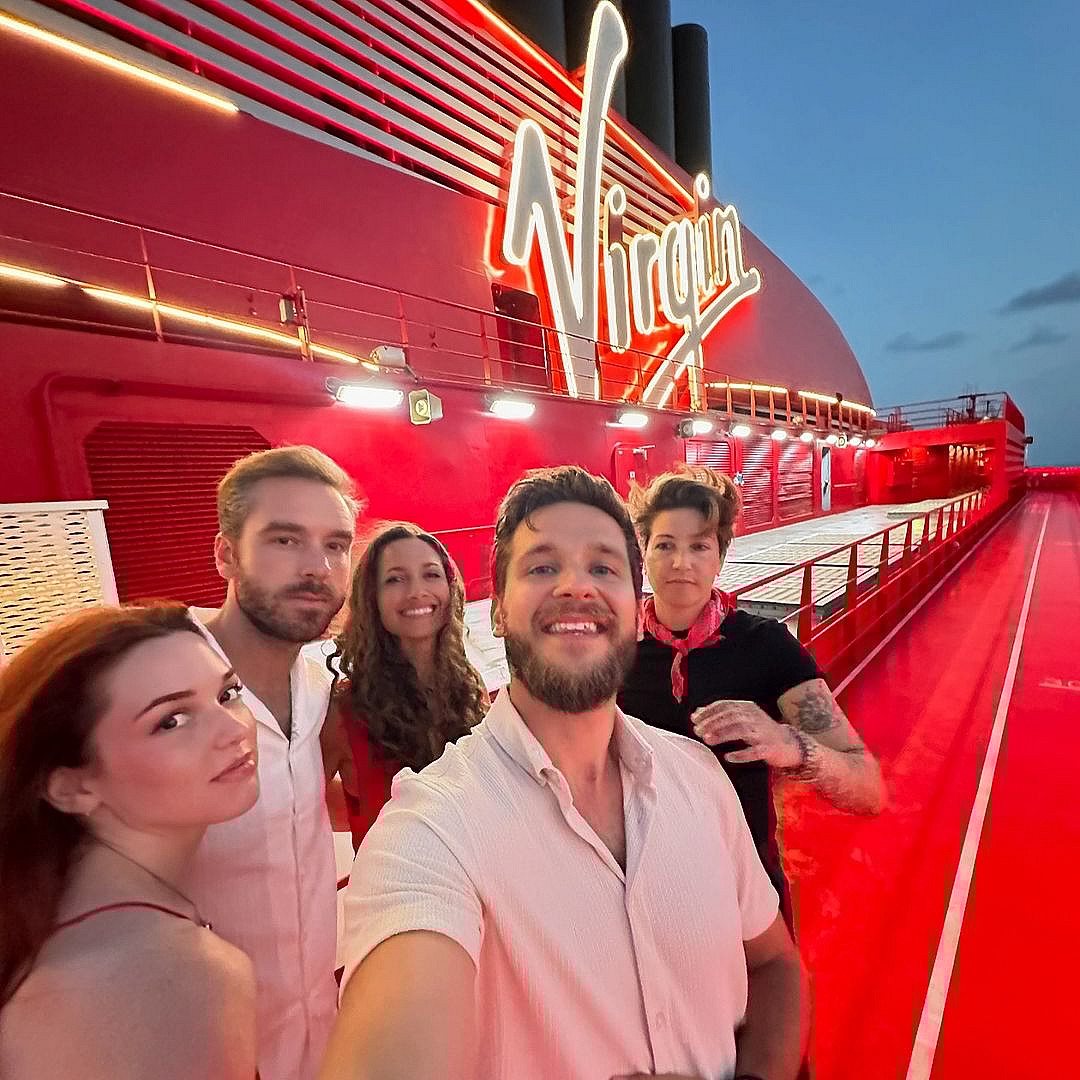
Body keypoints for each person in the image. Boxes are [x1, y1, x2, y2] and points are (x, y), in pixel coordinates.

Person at [320, 465, 808, 1080]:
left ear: (637, 611)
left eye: (604, 567)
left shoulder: (699, 776)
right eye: (542, 567)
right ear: (496, 610)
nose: (576, 585)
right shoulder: (428, 830)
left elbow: (773, 965)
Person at [0, 605, 258, 1079]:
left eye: (228, 694)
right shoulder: (176, 977)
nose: (234, 729)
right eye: (171, 721)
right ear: (72, 787)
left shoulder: (51, 909)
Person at [620, 464, 885, 919]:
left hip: (744, 893)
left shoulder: (765, 646)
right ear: (643, 551)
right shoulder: (614, 649)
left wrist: (791, 746)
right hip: (640, 890)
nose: (681, 562)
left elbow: (867, 789)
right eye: (665, 545)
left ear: (720, 557)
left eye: (699, 546)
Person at [186, 445, 359, 1080]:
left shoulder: (317, 688)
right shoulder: (157, 681)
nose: (317, 567)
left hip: (317, 1035)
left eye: (336, 545)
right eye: (285, 540)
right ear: (226, 553)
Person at [320, 522, 488, 848]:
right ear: (372, 598)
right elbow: (305, 806)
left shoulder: (469, 687)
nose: (416, 592)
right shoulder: (344, 711)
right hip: (395, 890)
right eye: (395, 579)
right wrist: (369, 819)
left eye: (431, 575)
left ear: (451, 587)